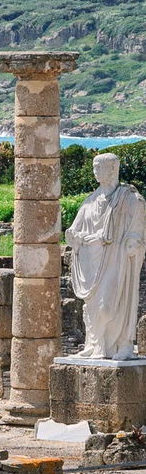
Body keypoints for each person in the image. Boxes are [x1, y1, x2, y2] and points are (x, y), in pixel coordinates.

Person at [66, 152, 146, 360]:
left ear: (113, 169)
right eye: (94, 167)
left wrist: (133, 243)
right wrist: (78, 238)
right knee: (93, 306)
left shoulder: (130, 199)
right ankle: (96, 344)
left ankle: (123, 343)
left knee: (108, 306)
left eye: (99, 167)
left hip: (117, 260)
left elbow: (137, 230)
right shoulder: (89, 202)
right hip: (92, 262)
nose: (95, 171)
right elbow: (73, 232)